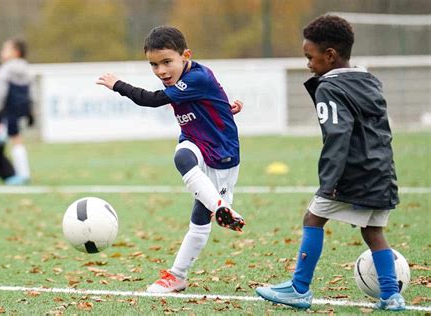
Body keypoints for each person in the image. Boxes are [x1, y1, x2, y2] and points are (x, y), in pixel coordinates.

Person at [256, 15, 405, 311]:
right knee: (373, 231)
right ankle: (391, 294)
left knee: (313, 218)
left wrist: (329, 182)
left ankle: (299, 288)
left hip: (351, 173)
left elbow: (338, 136)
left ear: (330, 55)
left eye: (310, 57)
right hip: (382, 174)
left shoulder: (329, 88)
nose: (308, 64)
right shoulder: (370, 81)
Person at [97, 26, 245, 293]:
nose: (161, 71)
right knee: (182, 156)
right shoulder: (186, 76)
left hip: (223, 154)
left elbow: (151, 100)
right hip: (195, 143)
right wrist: (229, 107)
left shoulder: (197, 77)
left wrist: (117, 85)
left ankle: (180, 272)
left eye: (167, 62)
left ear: (185, 55)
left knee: (199, 221)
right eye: (154, 65)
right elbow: (218, 96)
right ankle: (215, 212)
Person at [0, 38, 33, 183]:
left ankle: (22, 174)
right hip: (23, 109)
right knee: (15, 138)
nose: (2, 52)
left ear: (15, 52)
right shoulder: (26, 68)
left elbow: (0, 91)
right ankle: (19, 173)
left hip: (10, 109)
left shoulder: (5, 69)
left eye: (5, 49)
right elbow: (31, 91)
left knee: (15, 140)